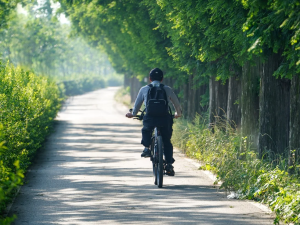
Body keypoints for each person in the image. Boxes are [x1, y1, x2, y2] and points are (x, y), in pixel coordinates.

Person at [125, 68, 182, 176]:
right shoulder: (167, 89)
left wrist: (132, 114)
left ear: (150, 79)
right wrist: (178, 114)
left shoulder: (144, 89)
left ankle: (147, 148)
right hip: (165, 118)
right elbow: (176, 104)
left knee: (146, 130)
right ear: (162, 78)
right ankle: (169, 164)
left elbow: (137, 105)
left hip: (150, 118)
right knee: (167, 141)